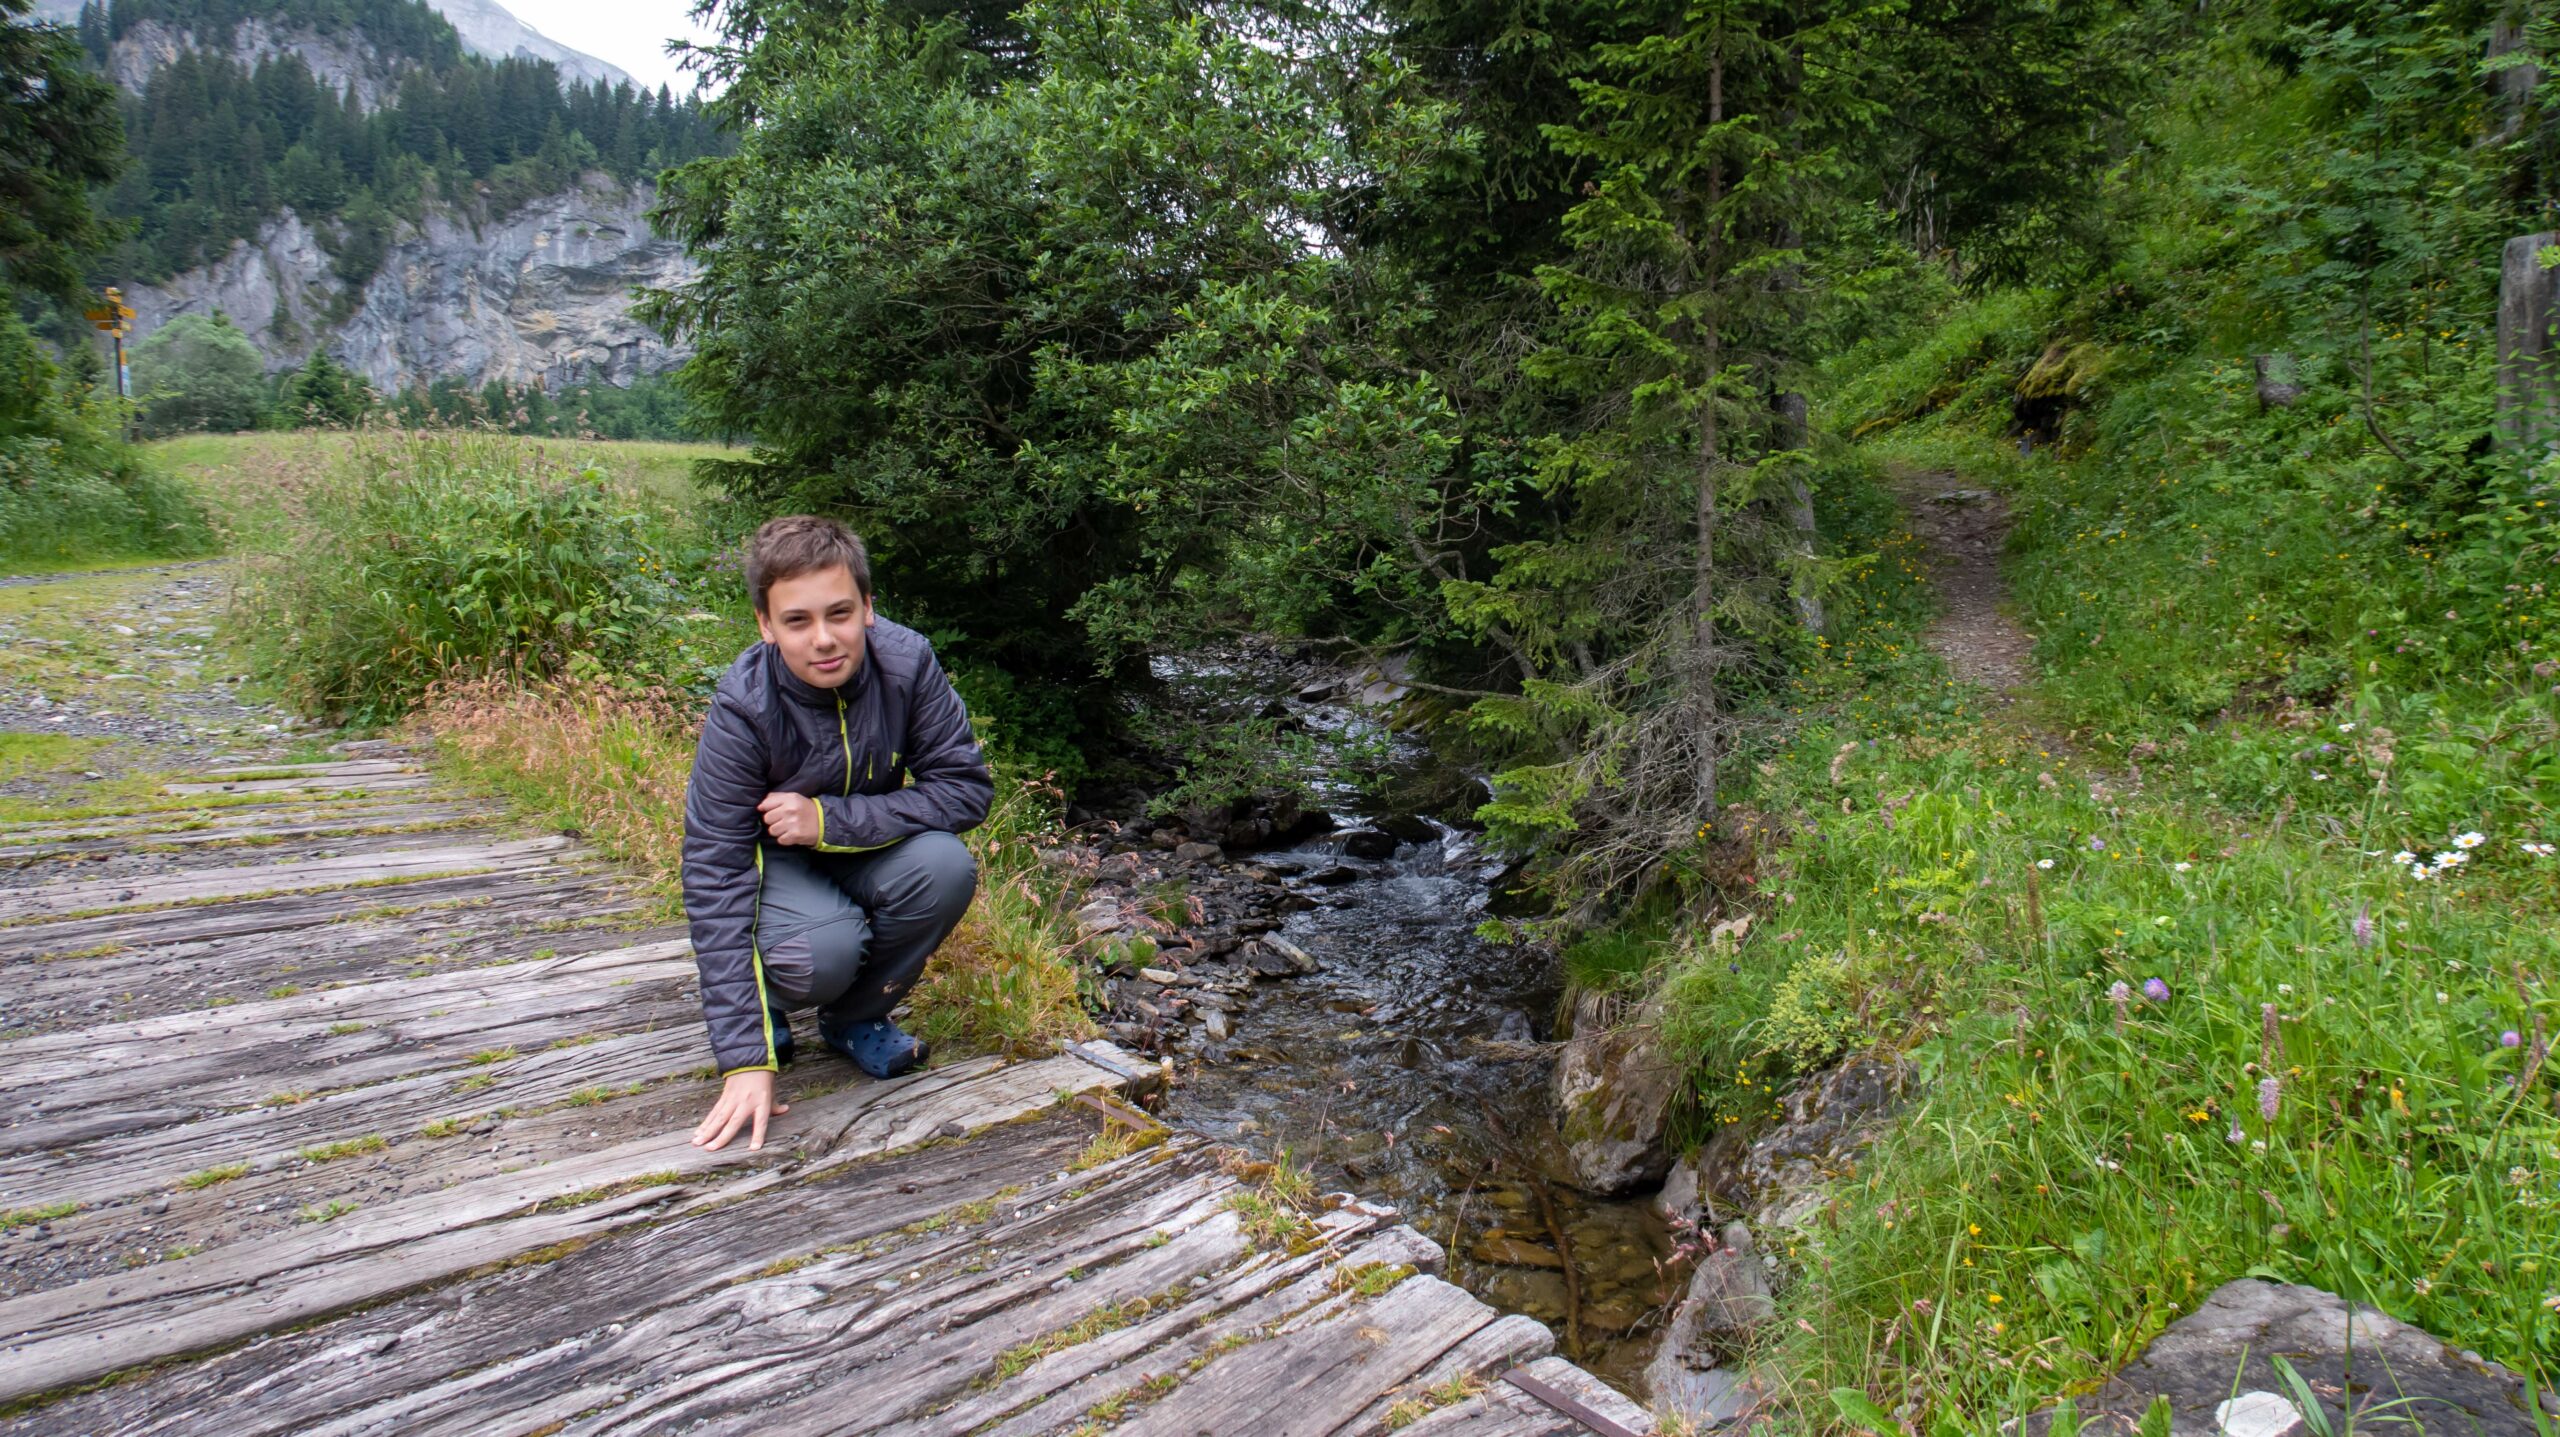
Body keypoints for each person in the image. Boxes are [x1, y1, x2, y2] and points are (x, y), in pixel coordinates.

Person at [681, 515, 993, 1152]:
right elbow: (715, 869)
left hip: (861, 847)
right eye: (797, 621)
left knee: (945, 867)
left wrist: (827, 820)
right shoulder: (744, 704)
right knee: (823, 954)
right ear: (766, 626)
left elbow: (965, 789)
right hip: (775, 867)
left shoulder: (907, 664)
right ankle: (768, 1008)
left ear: (868, 608)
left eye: (840, 613)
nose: (823, 639)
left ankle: (853, 1019)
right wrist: (746, 1058)